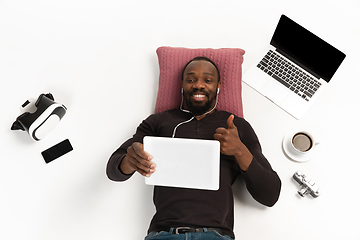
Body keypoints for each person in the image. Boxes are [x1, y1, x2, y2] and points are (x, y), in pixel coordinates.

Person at [106, 56, 282, 240]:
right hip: (164, 234)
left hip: (216, 235)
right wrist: (130, 160)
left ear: (219, 86)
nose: (199, 85)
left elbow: (270, 195)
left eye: (208, 80)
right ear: (182, 84)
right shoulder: (158, 122)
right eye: (191, 79)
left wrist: (240, 150)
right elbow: (113, 170)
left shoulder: (237, 127)